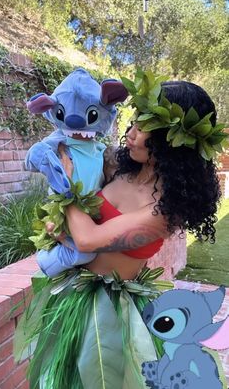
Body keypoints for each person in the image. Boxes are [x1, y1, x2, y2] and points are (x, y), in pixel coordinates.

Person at [15, 71, 227, 389]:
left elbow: (88, 238)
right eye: (134, 122)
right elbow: (77, 163)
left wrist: (66, 183)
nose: (130, 133)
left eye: (144, 128)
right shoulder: (118, 166)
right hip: (72, 290)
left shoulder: (164, 211)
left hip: (111, 313)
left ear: (172, 140)